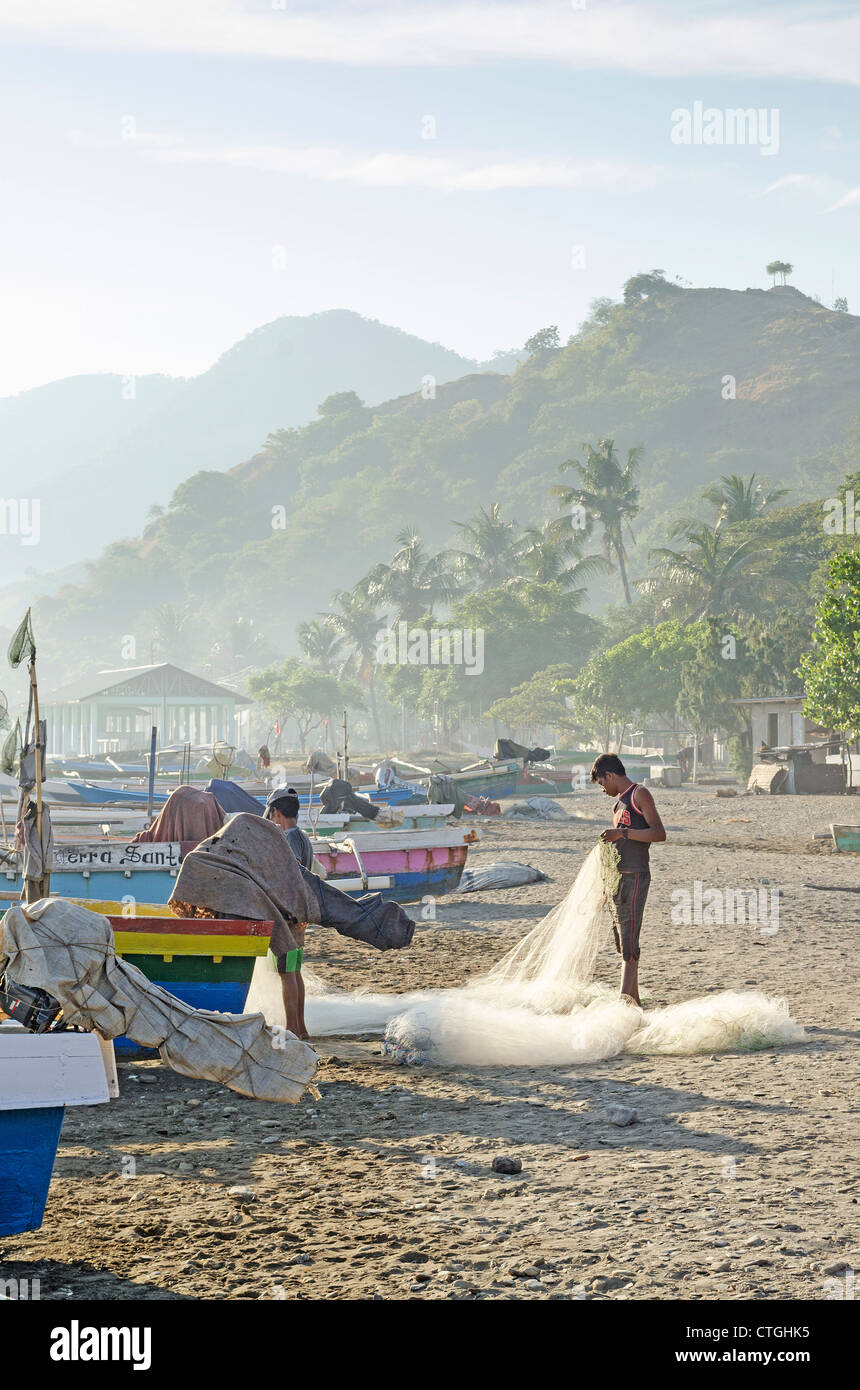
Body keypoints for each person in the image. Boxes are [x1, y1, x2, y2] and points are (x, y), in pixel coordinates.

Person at [591, 753, 666, 1006]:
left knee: (629, 940)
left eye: (602, 783)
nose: (603, 789)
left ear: (611, 775)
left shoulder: (638, 794)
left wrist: (622, 833)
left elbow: (658, 833)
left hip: (635, 875)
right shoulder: (617, 805)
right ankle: (633, 1001)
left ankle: (623, 1002)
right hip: (618, 879)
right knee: (622, 941)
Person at [265, 786, 314, 1040]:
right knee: (294, 971)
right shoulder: (303, 836)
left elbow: (289, 871)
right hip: (299, 913)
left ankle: (293, 1029)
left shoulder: (290, 838)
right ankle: (301, 1028)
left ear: (275, 812)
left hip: (288, 914)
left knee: (287, 972)